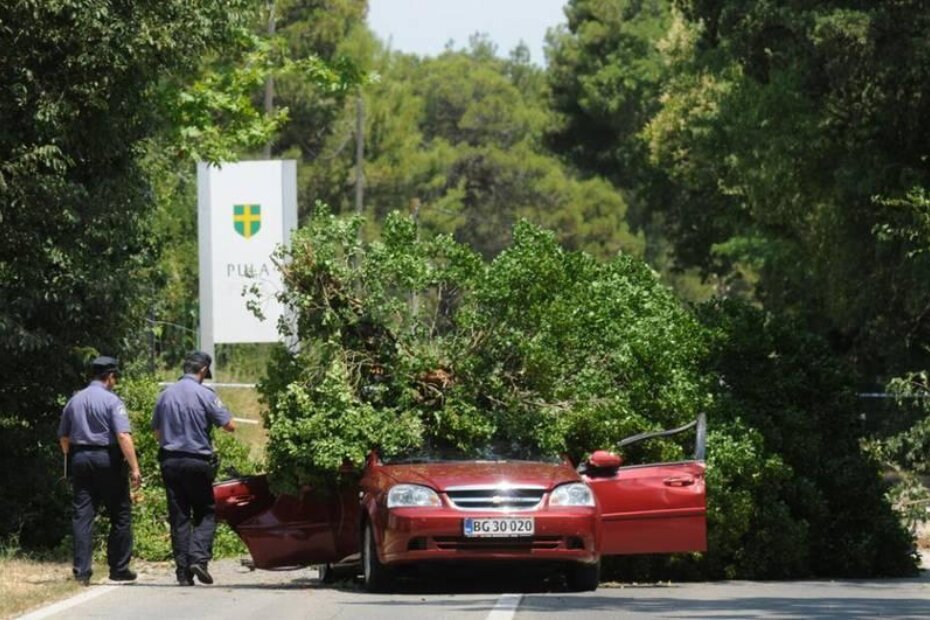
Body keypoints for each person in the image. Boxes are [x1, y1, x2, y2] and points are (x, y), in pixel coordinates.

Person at [152, 351, 235, 586]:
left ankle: (183, 573)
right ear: (203, 371)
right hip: (197, 461)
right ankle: (198, 558)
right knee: (206, 512)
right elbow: (229, 425)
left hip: (169, 460)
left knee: (179, 517)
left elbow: (157, 432)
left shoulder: (165, 395)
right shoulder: (206, 394)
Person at [57, 355, 142, 585]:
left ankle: (82, 572)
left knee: (82, 515)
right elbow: (123, 435)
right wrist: (134, 468)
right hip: (107, 459)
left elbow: (64, 438)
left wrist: (69, 460)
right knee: (120, 514)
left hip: (80, 458)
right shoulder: (112, 401)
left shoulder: (74, 400)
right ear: (110, 376)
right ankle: (119, 568)